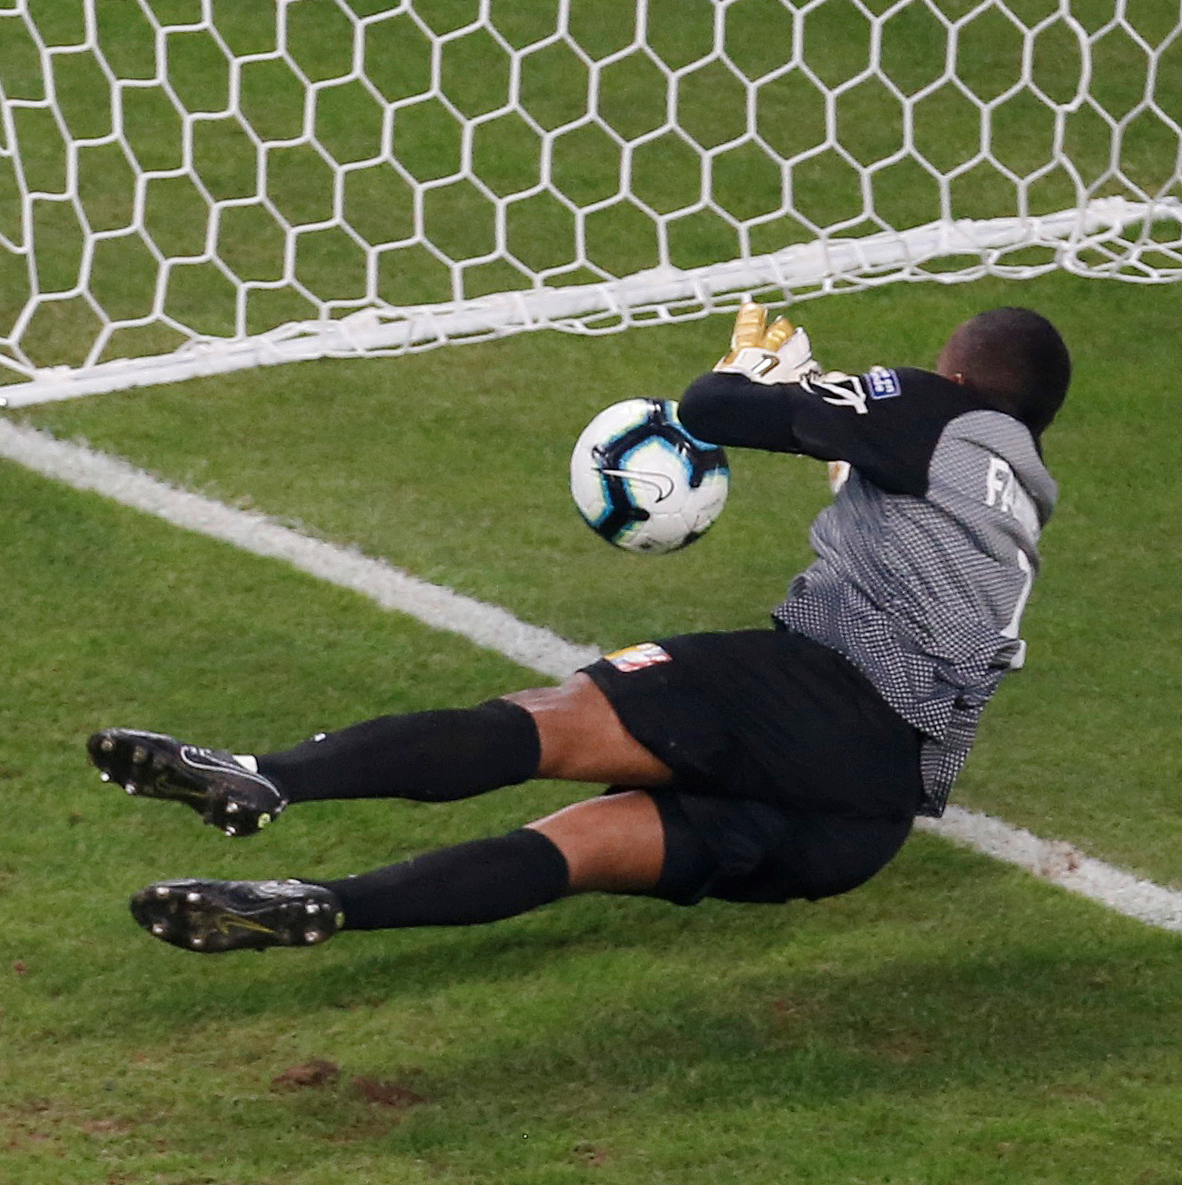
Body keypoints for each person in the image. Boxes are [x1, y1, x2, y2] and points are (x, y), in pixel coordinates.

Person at [92, 300, 1068, 952]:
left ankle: (266, 777)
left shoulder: (934, 406)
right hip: (866, 819)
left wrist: (754, 374)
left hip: (817, 699)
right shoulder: (1022, 497)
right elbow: (904, 520)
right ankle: (322, 906)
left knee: (545, 721)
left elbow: (712, 408)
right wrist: (834, 434)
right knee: (585, 845)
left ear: (966, 373)